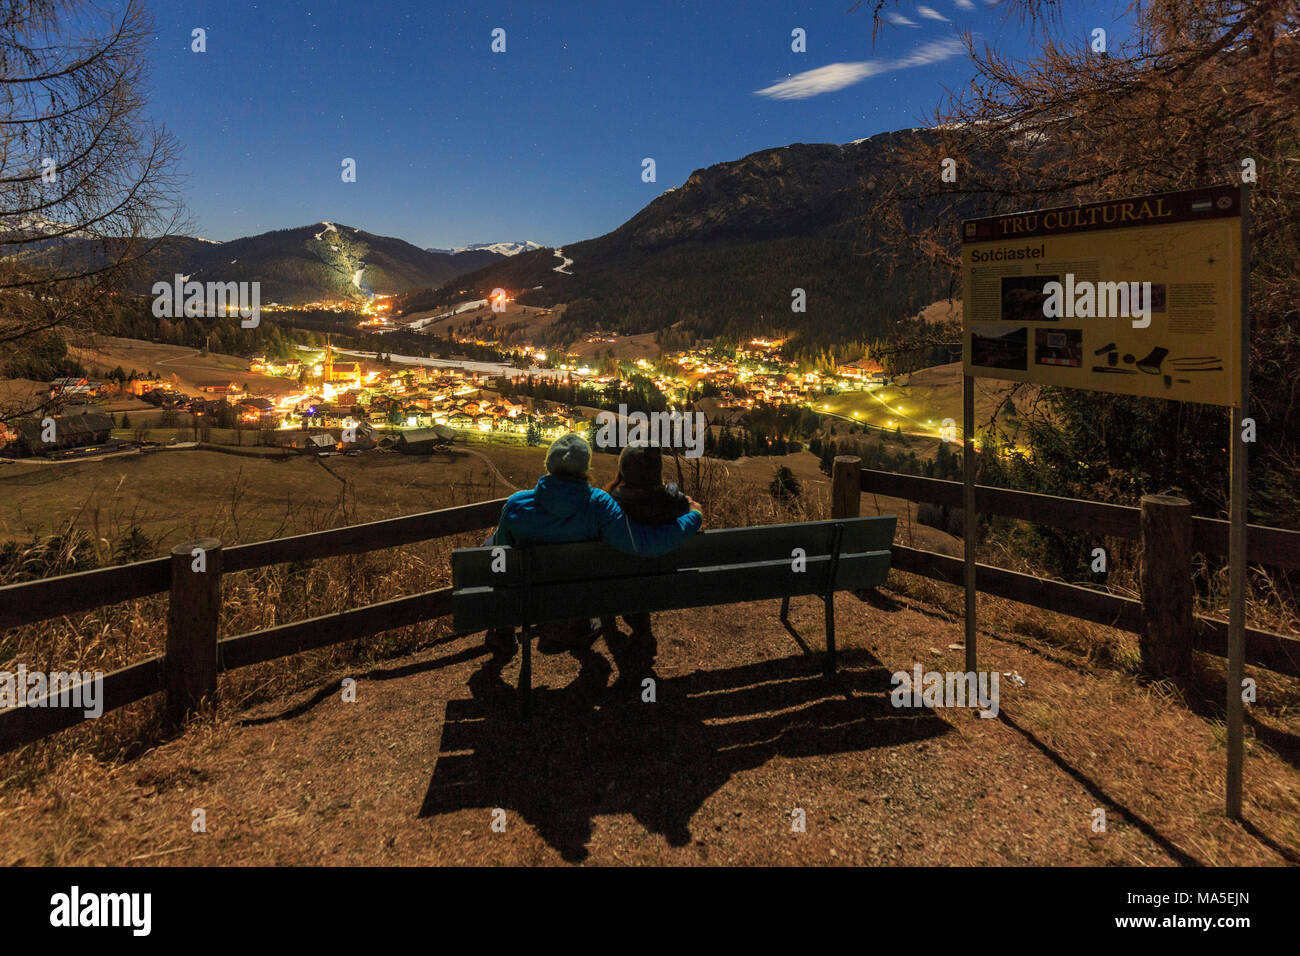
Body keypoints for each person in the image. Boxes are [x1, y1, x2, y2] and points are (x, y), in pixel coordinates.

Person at [484, 433, 702, 656]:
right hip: (581, 602)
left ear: (548, 464)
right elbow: (645, 544)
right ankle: (577, 627)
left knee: (491, 545)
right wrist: (694, 517)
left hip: (529, 603)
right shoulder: (599, 505)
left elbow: (499, 565)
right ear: (585, 468)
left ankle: (502, 631)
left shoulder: (516, 505)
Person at [599, 444, 691, 665]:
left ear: (623, 471)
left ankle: (610, 630)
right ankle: (641, 629)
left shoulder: (610, 505)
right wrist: (672, 491)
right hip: (661, 585)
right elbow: (689, 510)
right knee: (641, 575)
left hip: (614, 585)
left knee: (615, 576)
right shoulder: (674, 503)